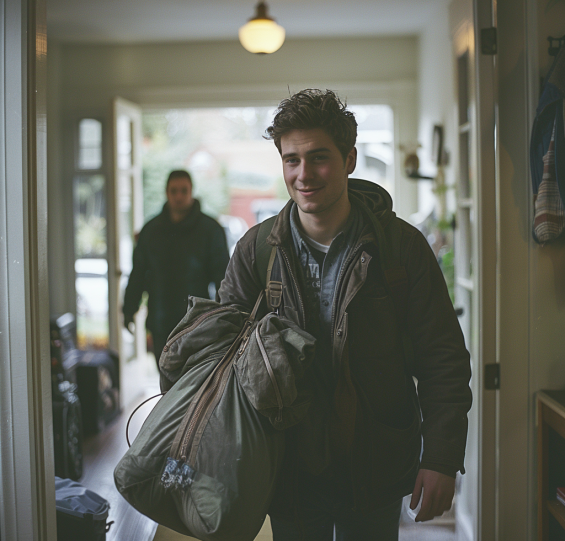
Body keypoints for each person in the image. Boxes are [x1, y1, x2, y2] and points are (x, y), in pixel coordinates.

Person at [218, 89, 472, 540]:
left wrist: (441, 458)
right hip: (288, 466)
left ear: (350, 159)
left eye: (319, 157)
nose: (303, 174)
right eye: (291, 160)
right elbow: (222, 361)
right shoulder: (256, 252)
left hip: (376, 463)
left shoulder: (401, 248)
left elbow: (443, 358)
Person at [123, 170, 230, 365]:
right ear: (166, 193)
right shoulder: (151, 230)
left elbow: (223, 277)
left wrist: (227, 316)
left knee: (196, 386)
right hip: (160, 319)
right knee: (166, 384)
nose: (179, 196)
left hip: (197, 322)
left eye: (183, 190)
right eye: (174, 191)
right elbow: (138, 272)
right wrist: (129, 308)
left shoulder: (210, 230)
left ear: (191, 192)